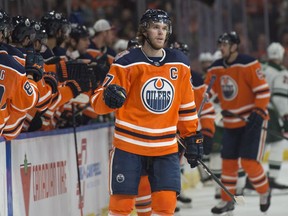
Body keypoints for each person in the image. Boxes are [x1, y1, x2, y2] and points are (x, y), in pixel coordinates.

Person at [90, 9, 203, 215]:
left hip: (165, 148)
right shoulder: (126, 63)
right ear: (144, 31)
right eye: (155, 27)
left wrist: (191, 136)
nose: (160, 33)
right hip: (129, 147)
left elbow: (186, 106)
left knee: (166, 207)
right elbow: (97, 103)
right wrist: (108, 98)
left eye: (164, 28)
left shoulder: (179, 63)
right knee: (121, 208)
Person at [205, 31, 271, 214]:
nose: (221, 48)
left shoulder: (249, 63)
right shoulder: (215, 68)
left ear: (234, 46)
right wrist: (210, 105)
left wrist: (258, 111)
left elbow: (263, 91)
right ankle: (227, 200)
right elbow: (206, 93)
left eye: (225, 44)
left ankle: (265, 191)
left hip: (252, 121)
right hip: (231, 123)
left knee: (249, 162)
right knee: (228, 164)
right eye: (220, 45)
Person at [260, 42, 288, 189]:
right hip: (269, 111)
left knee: (258, 145)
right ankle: (271, 178)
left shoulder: (260, 66)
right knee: (277, 144)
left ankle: (251, 178)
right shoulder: (280, 72)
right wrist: (286, 116)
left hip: (253, 109)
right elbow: (279, 98)